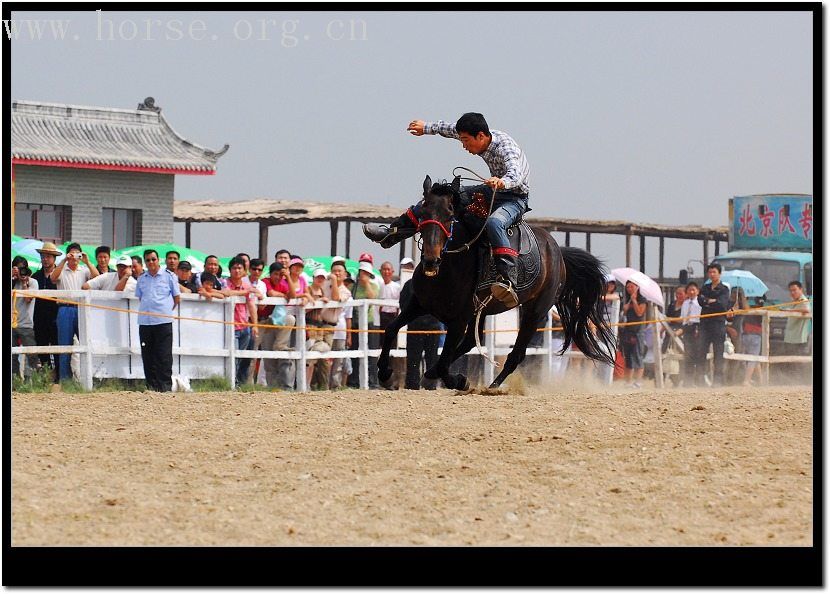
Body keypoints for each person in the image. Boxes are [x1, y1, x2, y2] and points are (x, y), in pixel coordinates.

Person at [363, 112, 530, 308]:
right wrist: (426, 127)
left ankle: (507, 277)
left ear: (481, 136)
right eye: (462, 140)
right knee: (439, 200)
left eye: (466, 141)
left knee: (494, 222)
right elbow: (449, 129)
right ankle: (391, 233)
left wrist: (502, 181)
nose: (464, 146)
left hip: (514, 197)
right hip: (492, 189)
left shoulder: (506, 147)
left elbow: (515, 174)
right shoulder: (477, 132)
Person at [50, 242, 99, 381]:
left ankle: (87, 378)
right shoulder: (62, 269)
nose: (74, 258)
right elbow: (53, 278)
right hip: (64, 308)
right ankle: (65, 380)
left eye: (77, 254)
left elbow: (97, 278)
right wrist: (64, 260)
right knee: (65, 346)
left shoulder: (84, 270)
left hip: (81, 308)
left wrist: (87, 261)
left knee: (85, 343)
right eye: (72, 254)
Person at [134, 249, 180, 392]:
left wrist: (163, 311)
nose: (151, 262)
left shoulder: (169, 277)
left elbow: (176, 298)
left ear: (158, 260)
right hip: (145, 322)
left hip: (163, 322)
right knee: (147, 355)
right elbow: (141, 297)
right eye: (148, 260)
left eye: (153, 259)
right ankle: (151, 386)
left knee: (164, 355)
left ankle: (165, 387)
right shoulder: (142, 278)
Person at [261, 261, 298, 390]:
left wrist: (287, 277)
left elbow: (292, 296)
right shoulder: (265, 281)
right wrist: (283, 295)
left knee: (290, 319)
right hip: (263, 321)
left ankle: (280, 345)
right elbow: (270, 293)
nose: (278, 277)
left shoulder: (283, 283)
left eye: (280, 275)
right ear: (270, 274)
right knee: (268, 358)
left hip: (276, 321)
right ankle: (272, 387)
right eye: (276, 274)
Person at [399, 278, 441, 390]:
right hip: (415, 327)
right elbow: (403, 303)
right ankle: (412, 385)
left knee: (432, 358)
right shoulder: (410, 284)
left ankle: (430, 385)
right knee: (413, 358)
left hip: (432, 327)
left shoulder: (437, 284)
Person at [226, 257, 258, 387]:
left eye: (240, 268)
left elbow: (251, 305)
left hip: (243, 326)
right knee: (232, 357)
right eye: (234, 268)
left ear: (244, 271)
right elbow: (225, 293)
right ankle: (231, 383)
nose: (237, 271)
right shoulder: (225, 282)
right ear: (230, 270)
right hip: (230, 326)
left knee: (243, 357)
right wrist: (245, 292)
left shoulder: (247, 285)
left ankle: (239, 383)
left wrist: (255, 325)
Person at [31, 242, 62, 379]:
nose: (45, 259)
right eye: (43, 256)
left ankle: (60, 377)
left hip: (56, 317)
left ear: (54, 258)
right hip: (39, 318)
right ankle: (46, 377)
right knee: (42, 349)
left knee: (58, 348)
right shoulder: (35, 276)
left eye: (48, 256)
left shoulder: (60, 276)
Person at [698, 262, 730, 386]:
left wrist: (709, 302)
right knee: (702, 352)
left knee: (718, 353)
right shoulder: (705, 288)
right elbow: (700, 300)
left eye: (714, 272)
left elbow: (722, 305)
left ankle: (717, 381)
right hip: (705, 324)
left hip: (718, 324)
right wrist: (711, 301)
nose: (711, 274)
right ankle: (700, 379)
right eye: (710, 272)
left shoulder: (724, 289)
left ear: (719, 273)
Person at [328, 263, 354, 389]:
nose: (337, 273)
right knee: (324, 359)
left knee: (338, 361)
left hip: (340, 330)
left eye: (339, 271)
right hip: (325, 327)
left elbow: (348, 317)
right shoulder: (325, 287)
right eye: (334, 271)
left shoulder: (347, 293)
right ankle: (324, 385)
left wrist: (349, 335)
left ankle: (335, 386)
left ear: (345, 275)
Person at [12, 266, 40, 379]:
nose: (21, 272)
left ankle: (32, 380)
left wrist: (24, 283)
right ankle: (16, 381)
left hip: (26, 323)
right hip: (11, 323)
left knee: (32, 355)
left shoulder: (33, 282)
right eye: (18, 269)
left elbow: (28, 299)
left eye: (22, 268)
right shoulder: (12, 281)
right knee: (11, 355)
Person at [620, 280, 647, 388]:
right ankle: (628, 381)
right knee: (628, 357)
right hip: (627, 330)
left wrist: (635, 301)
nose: (629, 289)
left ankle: (639, 381)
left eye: (632, 287)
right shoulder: (626, 300)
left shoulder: (642, 300)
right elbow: (623, 315)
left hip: (638, 332)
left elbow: (640, 312)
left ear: (637, 287)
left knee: (638, 355)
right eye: (628, 287)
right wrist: (625, 309)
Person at [735, 289, 763, 387]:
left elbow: (747, 309)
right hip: (749, 335)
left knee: (753, 358)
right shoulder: (756, 306)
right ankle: (753, 381)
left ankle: (753, 380)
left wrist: (742, 296)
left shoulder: (758, 307)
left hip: (752, 335)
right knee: (753, 358)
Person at [677, 281, 703, 387]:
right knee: (688, 355)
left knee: (697, 355)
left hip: (696, 327)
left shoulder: (700, 303)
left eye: (693, 290)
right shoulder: (685, 303)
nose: (691, 292)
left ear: (697, 291)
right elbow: (683, 318)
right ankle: (688, 381)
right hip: (687, 328)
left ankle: (698, 380)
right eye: (689, 290)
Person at [782, 280, 811, 357]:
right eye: (791, 291)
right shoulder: (793, 302)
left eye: (794, 290)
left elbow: (806, 310)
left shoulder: (803, 300)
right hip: (789, 338)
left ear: (800, 289)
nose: (792, 293)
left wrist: (790, 310)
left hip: (798, 340)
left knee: (796, 363)